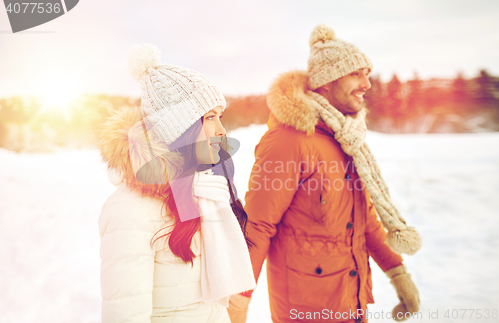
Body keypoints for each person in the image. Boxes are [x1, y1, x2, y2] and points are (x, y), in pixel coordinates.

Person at [227, 24, 422, 323]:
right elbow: (257, 226)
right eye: (356, 73)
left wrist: (398, 274)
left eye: (367, 74)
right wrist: (237, 303)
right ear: (327, 81)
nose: (367, 84)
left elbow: (364, 218)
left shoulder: (345, 138)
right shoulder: (288, 141)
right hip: (305, 311)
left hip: (351, 302)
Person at [98, 43, 256, 323]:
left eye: (221, 116)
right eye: (209, 118)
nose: (221, 130)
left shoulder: (206, 191)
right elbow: (126, 314)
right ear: (179, 128)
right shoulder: (130, 211)